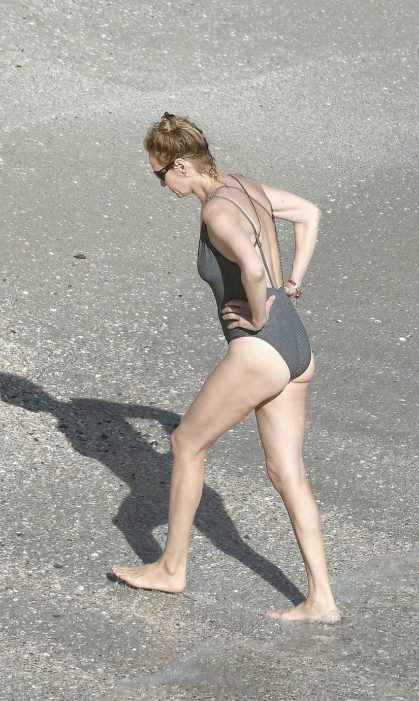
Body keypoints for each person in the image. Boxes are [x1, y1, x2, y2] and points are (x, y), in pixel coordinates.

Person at [110, 112, 341, 624]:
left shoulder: (217, 211)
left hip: (260, 349)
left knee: (186, 444)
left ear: (183, 165)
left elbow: (253, 269)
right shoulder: (246, 187)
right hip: (296, 345)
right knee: (288, 474)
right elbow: (309, 213)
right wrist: (292, 285)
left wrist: (256, 316)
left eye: (160, 174)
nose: (161, 185)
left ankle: (171, 568)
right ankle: (321, 599)